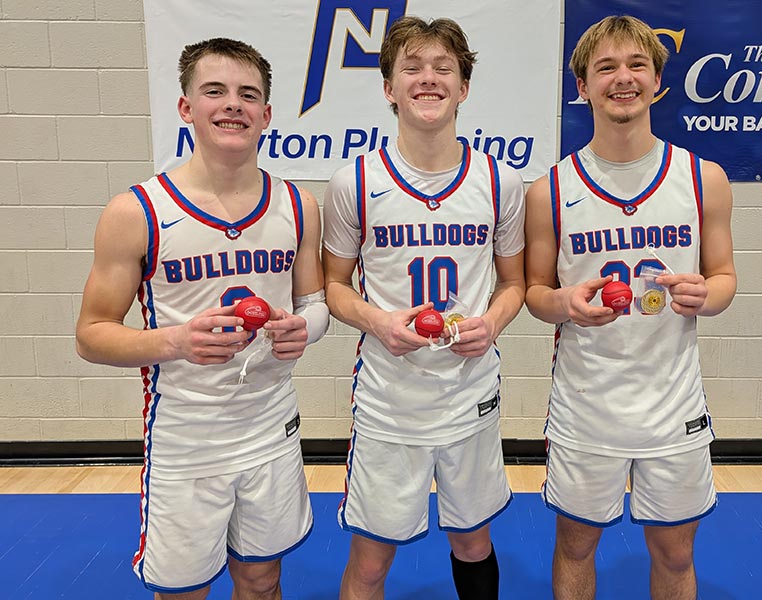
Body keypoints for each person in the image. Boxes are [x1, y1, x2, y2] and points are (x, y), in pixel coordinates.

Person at [75, 38, 329, 599]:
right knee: (184, 591)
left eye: (248, 94)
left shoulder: (298, 205)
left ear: (267, 114)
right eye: (215, 91)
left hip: (271, 424)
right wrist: (176, 341)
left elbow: (316, 306)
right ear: (186, 107)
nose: (233, 104)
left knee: (262, 579)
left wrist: (303, 329)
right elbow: (91, 336)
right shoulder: (136, 211)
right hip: (187, 434)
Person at [524, 15, 737, 600]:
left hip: (673, 406)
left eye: (637, 64)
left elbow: (725, 278)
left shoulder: (704, 179)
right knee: (575, 546)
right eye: (606, 68)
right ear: (582, 86)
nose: (623, 78)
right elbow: (535, 293)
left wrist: (707, 295)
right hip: (586, 406)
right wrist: (564, 302)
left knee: (676, 552)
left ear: (657, 80)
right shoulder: (550, 190)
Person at [322, 16, 526, 600]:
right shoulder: (353, 182)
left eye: (443, 68)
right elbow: (333, 286)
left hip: (469, 391)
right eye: (412, 68)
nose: (428, 78)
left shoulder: (500, 182)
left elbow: (514, 283)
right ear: (389, 88)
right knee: (371, 558)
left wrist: (491, 323)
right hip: (390, 399)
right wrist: (378, 321)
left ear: (464, 87)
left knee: (473, 541)